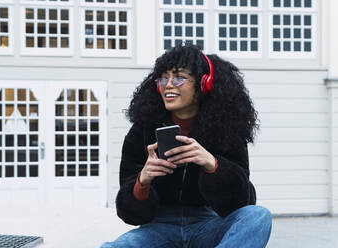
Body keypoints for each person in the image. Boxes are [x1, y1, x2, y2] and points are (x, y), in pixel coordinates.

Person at [101, 44, 272, 248]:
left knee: (259, 216)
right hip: (159, 227)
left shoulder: (226, 130)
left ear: (204, 84)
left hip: (208, 223)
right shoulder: (142, 131)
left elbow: (244, 201)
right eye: (163, 78)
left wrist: (213, 165)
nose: (168, 85)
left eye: (179, 77)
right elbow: (129, 214)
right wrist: (142, 181)